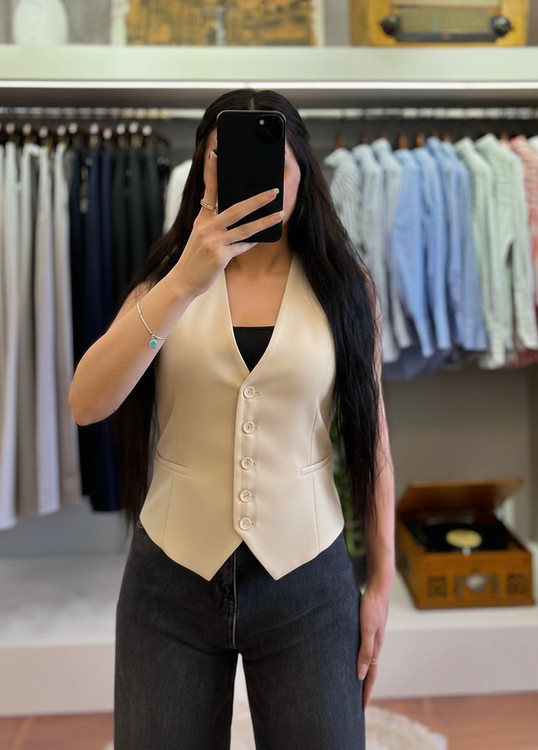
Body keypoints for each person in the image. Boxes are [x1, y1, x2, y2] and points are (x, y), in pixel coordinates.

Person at [68, 88, 395, 750]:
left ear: (301, 168)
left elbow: (373, 442)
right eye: (225, 157)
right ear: (202, 171)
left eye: (275, 158)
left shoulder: (344, 290)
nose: (255, 174)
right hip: (170, 581)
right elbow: (87, 402)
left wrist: (380, 586)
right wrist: (186, 279)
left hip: (307, 579)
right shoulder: (164, 283)